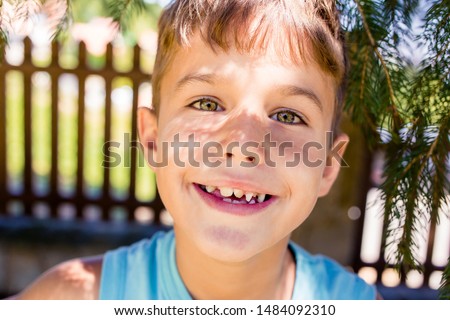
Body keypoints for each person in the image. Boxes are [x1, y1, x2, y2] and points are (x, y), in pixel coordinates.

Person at [10, 0, 378, 299]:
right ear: (152, 139)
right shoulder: (70, 299)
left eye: (287, 115)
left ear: (328, 166)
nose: (243, 145)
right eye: (207, 103)